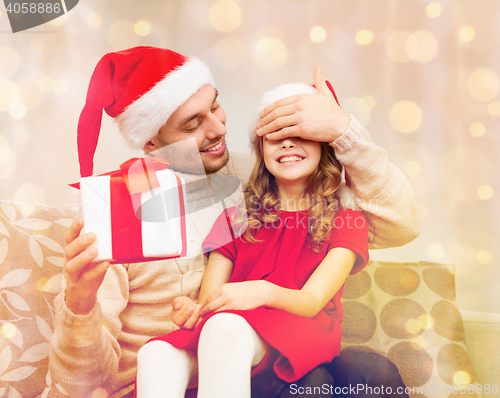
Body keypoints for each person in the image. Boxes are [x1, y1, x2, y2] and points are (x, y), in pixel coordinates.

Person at [49, 46, 418, 398]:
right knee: (312, 382)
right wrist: (80, 306)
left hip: (257, 348)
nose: (218, 130)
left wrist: (342, 131)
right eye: (193, 123)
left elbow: (399, 223)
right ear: (151, 143)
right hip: (181, 366)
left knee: (367, 372)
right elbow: (79, 387)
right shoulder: (115, 213)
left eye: (215, 107)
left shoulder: (251, 181)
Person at [135, 81, 370, 398]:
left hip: (302, 325)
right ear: (262, 150)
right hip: (232, 327)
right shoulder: (235, 218)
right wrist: (194, 310)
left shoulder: (346, 220)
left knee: (225, 328)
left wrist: (261, 292)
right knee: (156, 353)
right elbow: (212, 301)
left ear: (324, 147)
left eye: (300, 136)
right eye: (274, 137)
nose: (286, 144)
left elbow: (312, 301)